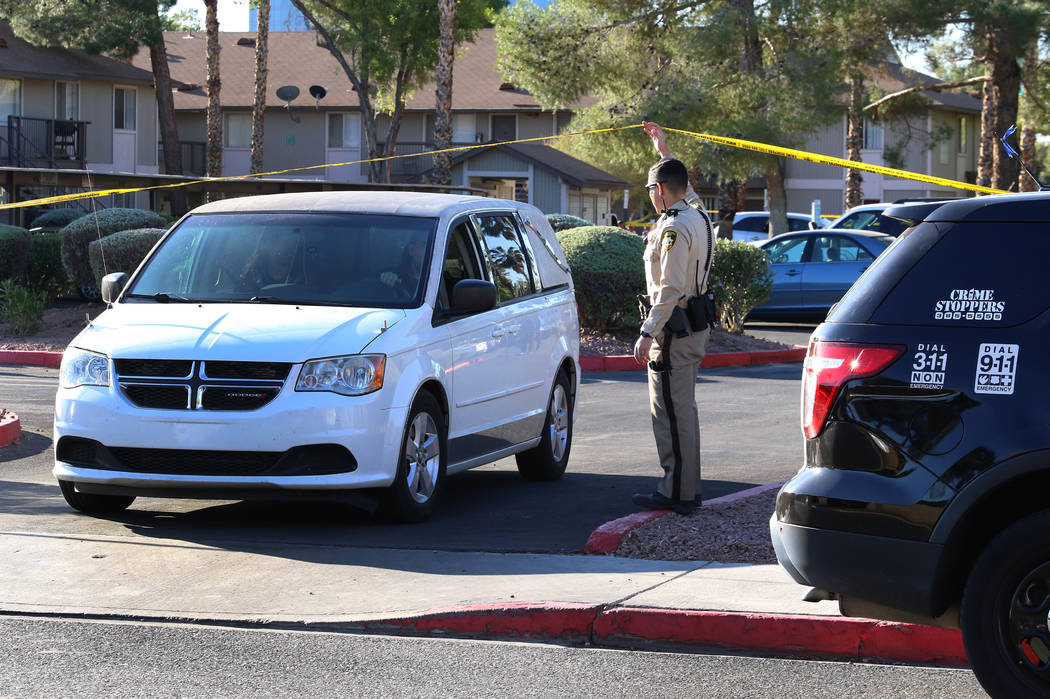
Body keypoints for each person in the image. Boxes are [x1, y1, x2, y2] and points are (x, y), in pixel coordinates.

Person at [631, 124, 716, 516]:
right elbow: (683, 185)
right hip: (691, 326)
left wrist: (648, 332)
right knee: (682, 409)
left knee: (670, 411)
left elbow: (669, 287)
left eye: (651, 190)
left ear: (660, 190)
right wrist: (662, 150)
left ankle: (677, 492)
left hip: (673, 331)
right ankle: (684, 487)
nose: (651, 198)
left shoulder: (675, 228)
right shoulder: (698, 215)